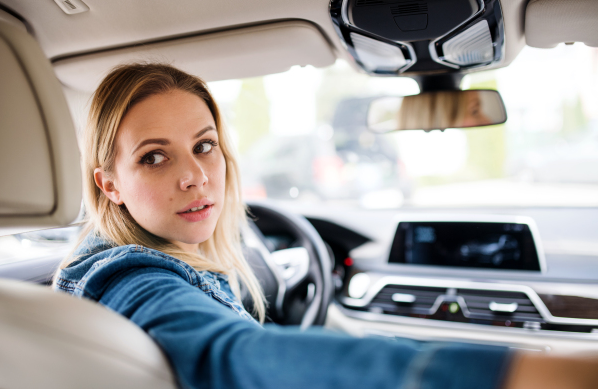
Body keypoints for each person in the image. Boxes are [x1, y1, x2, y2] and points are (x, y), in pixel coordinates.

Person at [53, 63, 597, 389]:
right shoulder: (127, 275)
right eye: (154, 157)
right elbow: (233, 355)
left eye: (204, 146)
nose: (196, 176)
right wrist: (514, 375)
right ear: (109, 185)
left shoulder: (146, 256)